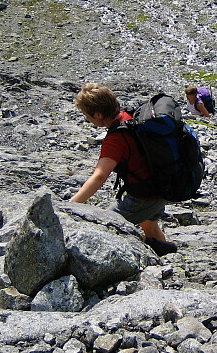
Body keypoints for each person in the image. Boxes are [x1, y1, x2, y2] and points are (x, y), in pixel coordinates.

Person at [71, 83, 177, 257]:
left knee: (104, 225)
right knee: (149, 224)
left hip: (144, 196)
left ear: (98, 114)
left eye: (87, 115)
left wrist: (70, 205)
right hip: (163, 185)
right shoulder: (130, 116)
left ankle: (146, 250)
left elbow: (99, 177)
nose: (87, 119)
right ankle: (166, 253)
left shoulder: (115, 139)